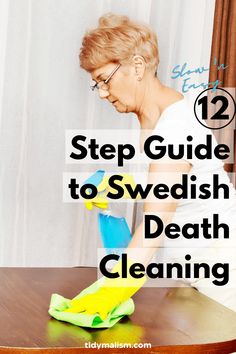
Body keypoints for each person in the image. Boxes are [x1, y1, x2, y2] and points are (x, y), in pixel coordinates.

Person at [67, 13, 236, 317]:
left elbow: (155, 223)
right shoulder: (154, 117)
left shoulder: (174, 127)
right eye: (97, 85)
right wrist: (118, 186)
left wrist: (112, 289)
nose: (103, 93)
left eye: (104, 80)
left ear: (137, 66)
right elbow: (176, 189)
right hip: (193, 269)